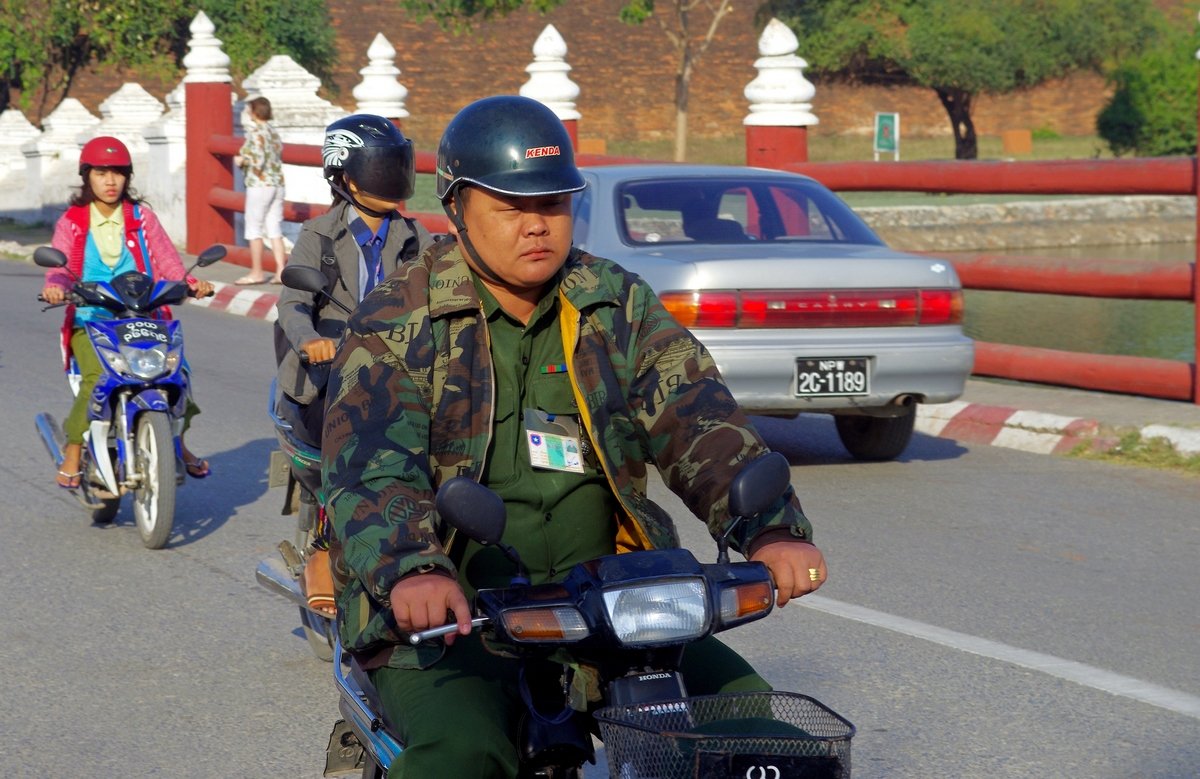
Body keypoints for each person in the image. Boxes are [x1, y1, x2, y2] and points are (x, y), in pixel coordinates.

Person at [321, 95, 829, 779]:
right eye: (511, 208)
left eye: (553, 205)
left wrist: (769, 528)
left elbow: (697, 416)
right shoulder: (397, 317)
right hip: (458, 620)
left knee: (756, 729)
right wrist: (412, 564)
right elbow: (369, 468)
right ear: (455, 209)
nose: (537, 226)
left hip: (617, 607)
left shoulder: (613, 301)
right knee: (463, 755)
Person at [275, 114, 435, 613]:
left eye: (395, 166)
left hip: (399, 369)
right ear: (345, 177)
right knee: (340, 440)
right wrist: (309, 342)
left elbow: (442, 290)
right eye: (378, 168)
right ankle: (324, 543)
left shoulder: (415, 236)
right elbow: (292, 303)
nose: (392, 179)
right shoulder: (318, 236)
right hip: (329, 374)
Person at [41, 135, 215, 490]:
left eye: (118, 173)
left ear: (127, 177)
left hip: (142, 317)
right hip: (93, 321)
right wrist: (56, 285)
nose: (110, 181)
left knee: (177, 373)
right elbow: (58, 264)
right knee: (97, 379)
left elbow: (167, 261)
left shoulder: (141, 218)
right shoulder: (73, 221)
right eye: (102, 173)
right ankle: (74, 449)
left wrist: (191, 282)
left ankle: (177, 445)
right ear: (87, 176)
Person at [232, 96, 287, 285]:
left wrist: (241, 160)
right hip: (277, 183)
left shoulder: (255, 133)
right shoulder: (273, 131)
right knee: (274, 227)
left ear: (255, 112)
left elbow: (257, 161)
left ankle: (257, 272)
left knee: (254, 228)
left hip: (259, 184)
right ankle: (281, 271)